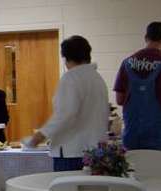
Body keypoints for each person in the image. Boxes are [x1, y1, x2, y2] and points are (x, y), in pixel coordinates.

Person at [27, 36, 109, 171]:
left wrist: (40, 136)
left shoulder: (71, 77)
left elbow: (65, 115)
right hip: (95, 152)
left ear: (66, 58)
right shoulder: (97, 78)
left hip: (71, 152)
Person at [114, 21, 161, 153]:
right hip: (160, 138)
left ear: (146, 38)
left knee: (134, 173)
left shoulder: (127, 63)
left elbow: (119, 100)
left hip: (132, 136)